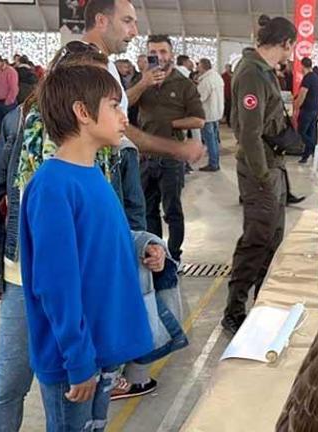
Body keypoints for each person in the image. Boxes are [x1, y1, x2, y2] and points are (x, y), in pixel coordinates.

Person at [19, 64, 155, 432]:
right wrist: (78, 361)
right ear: (83, 112)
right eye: (114, 106)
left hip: (101, 349)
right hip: (75, 362)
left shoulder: (95, 174)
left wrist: (142, 248)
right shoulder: (53, 186)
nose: (124, 117)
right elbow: (55, 284)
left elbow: (99, 248)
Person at [81, 0, 204, 401]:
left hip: (130, 171)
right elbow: (125, 125)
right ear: (101, 21)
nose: (134, 32)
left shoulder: (171, 82)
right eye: (128, 21)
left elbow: (123, 127)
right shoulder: (96, 72)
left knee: (158, 233)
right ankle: (107, 371)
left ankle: (121, 367)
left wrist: (173, 139)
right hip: (123, 172)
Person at [222, 14, 296, 335]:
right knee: (257, 239)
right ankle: (234, 308)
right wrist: (263, 177)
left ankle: (261, 302)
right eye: (290, 47)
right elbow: (249, 134)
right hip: (260, 169)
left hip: (272, 166)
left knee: (273, 238)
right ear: (286, 43)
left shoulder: (263, 72)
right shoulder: (252, 72)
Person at [129, 34, 205, 262]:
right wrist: (144, 83)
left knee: (172, 210)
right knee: (147, 209)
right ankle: (155, 252)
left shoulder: (183, 84)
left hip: (172, 157)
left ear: (171, 54)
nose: (159, 57)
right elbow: (123, 104)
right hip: (144, 157)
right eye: (154, 53)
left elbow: (199, 119)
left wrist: (170, 124)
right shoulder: (140, 81)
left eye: (163, 52)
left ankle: (174, 256)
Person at [197, 58, 225, 171]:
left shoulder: (207, 80)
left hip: (208, 114)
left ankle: (213, 164)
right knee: (214, 139)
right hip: (216, 112)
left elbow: (200, 97)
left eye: (198, 65)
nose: (197, 67)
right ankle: (215, 161)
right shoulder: (217, 77)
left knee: (210, 140)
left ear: (203, 66)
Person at [296, 57, 318, 164]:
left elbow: (303, 94)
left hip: (307, 109)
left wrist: (296, 106)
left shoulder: (307, 78)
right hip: (315, 108)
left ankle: (315, 149)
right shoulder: (316, 78)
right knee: (310, 133)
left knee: (301, 131)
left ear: (302, 65)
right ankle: (305, 156)